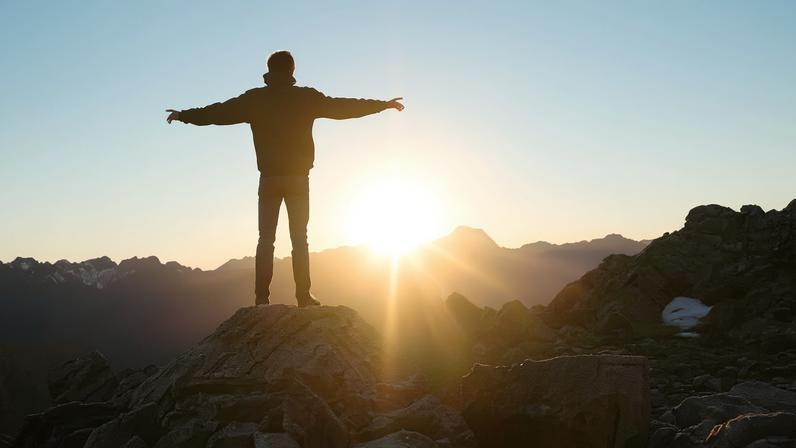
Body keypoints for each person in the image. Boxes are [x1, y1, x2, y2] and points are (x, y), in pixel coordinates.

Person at [166, 50, 404, 307]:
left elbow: (217, 113)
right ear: (292, 71)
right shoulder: (306, 98)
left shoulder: (255, 99)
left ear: (269, 70)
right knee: (299, 238)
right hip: (298, 179)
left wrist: (184, 115)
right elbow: (344, 107)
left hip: (269, 178)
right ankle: (303, 296)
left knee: (265, 239)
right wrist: (383, 105)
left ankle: (261, 299)